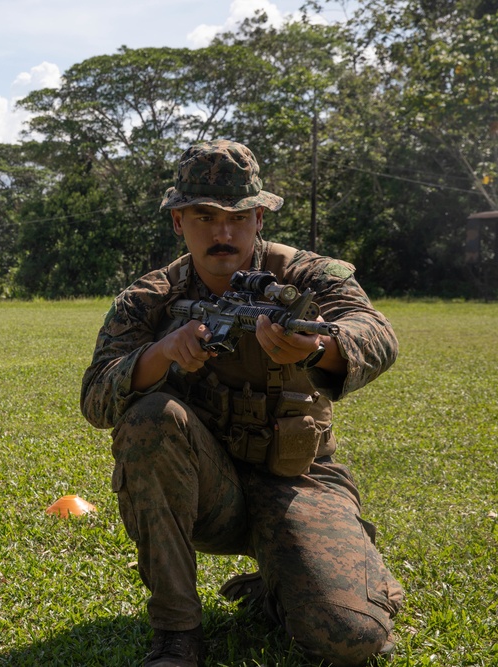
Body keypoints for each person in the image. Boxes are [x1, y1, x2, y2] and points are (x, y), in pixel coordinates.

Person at [80, 140, 403, 667]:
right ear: (178, 222)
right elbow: (96, 397)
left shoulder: (307, 277)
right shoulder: (149, 298)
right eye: (205, 216)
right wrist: (160, 354)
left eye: (238, 217)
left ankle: (295, 570)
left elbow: (377, 334)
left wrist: (320, 345)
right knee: (149, 419)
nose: (223, 233)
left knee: (350, 638)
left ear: (259, 218)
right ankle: (177, 634)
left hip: (298, 481)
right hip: (210, 490)